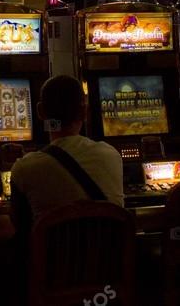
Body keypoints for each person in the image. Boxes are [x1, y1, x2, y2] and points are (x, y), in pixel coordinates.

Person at [9, 75, 124, 233]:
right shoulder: (112, 155)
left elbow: (20, 226)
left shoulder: (24, 168)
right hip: (108, 257)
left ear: (40, 112)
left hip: (51, 257)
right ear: (85, 112)